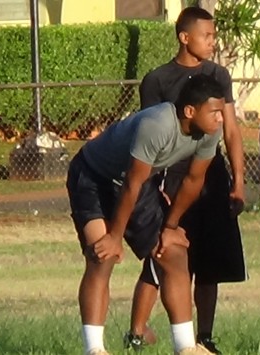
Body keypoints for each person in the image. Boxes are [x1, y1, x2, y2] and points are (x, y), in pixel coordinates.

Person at [67, 73, 225, 355]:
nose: (220, 119)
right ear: (190, 111)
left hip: (135, 184)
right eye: (214, 112)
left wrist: (171, 226)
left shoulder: (210, 133)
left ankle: (186, 347)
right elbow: (132, 183)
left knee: (173, 254)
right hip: (93, 177)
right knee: (102, 256)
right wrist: (115, 237)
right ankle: (94, 349)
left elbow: (193, 180)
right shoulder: (157, 125)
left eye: (221, 112)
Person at [124, 7, 247, 354]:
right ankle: (136, 332)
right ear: (184, 37)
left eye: (214, 35)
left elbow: (231, 130)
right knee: (162, 254)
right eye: (206, 35)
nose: (212, 41)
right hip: (171, 179)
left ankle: (203, 338)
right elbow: (148, 133)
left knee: (208, 261)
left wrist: (237, 180)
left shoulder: (218, 75)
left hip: (209, 175)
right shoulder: (158, 80)